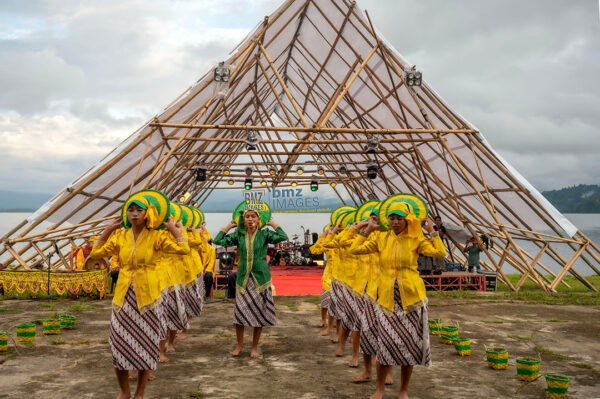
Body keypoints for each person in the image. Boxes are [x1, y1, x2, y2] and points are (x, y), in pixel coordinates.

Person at [89, 192, 189, 399]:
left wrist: (173, 229)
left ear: (147, 213)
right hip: (123, 296)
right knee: (118, 343)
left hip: (149, 296)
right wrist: (107, 230)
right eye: (131, 210)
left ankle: (140, 392)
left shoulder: (157, 236)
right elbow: (96, 254)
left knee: (147, 343)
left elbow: (183, 249)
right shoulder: (120, 236)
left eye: (139, 210)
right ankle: (124, 391)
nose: (134, 214)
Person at [351, 197, 446, 399]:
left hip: (411, 300)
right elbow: (355, 249)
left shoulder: (416, 238)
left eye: (399, 218)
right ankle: (379, 389)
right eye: (392, 218)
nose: (395, 222)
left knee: (409, 347)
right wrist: (367, 230)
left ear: (407, 220)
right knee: (384, 345)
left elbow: (439, 252)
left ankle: (404, 390)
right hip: (385, 300)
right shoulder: (381, 238)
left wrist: (432, 231)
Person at [214, 202, 287, 358]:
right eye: (247, 216)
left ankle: (254, 347)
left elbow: (283, 237)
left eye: (253, 216)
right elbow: (218, 241)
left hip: (260, 279)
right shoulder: (238, 235)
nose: (250, 219)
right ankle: (239, 346)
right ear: (243, 219)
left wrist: (274, 224)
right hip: (243, 280)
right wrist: (228, 227)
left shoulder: (264, 234)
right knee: (239, 315)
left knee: (258, 316)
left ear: (258, 219)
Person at [309, 226, 334, 335]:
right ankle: (324, 320)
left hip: (345, 274)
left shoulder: (344, 239)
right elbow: (314, 250)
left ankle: (331, 327)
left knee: (336, 304)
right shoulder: (327, 241)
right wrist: (324, 234)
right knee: (325, 299)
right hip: (329, 273)